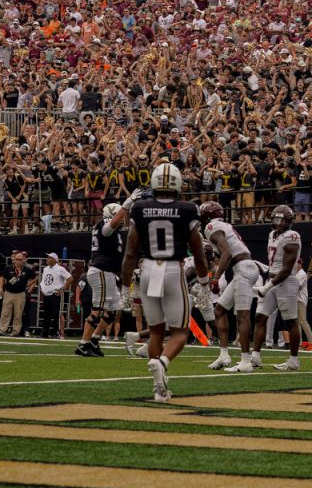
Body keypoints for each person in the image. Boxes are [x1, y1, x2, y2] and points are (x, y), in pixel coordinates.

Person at [122, 162, 208, 402]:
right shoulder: (188, 209)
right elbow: (198, 253)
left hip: (148, 268)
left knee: (156, 331)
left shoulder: (140, 208)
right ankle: (162, 362)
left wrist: (124, 286)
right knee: (180, 332)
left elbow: (130, 252)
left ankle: (159, 388)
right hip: (172, 268)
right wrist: (203, 283)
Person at [201, 200, 256, 372]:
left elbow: (227, 253)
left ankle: (246, 361)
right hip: (244, 267)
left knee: (242, 316)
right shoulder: (222, 225)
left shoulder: (211, 227)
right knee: (219, 310)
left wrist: (216, 278)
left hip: (243, 268)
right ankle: (224, 355)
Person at [252, 205, 302, 372]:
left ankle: (294, 360)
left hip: (286, 282)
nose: (277, 223)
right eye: (275, 219)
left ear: (288, 221)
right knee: (260, 317)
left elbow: (286, 270)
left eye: (281, 220)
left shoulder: (292, 237)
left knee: (290, 321)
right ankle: (255, 357)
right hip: (272, 279)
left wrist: (266, 287)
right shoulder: (272, 234)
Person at [75, 203, 126, 357]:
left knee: (113, 309)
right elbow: (111, 224)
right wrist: (128, 203)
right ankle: (83, 344)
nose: (122, 218)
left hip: (108, 272)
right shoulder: (104, 225)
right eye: (119, 215)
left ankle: (94, 341)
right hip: (101, 271)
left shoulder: (114, 229)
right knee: (97, 310)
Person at [0, 252, 37, 336]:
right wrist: (0, 287)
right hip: (8, 293)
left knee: (18, 314)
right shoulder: (8, 268)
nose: (18, 261)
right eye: (17, 259)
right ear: (14, 260)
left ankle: (16, 331)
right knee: (5, 312)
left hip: (20, 294)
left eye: (20, 260)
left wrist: (29, 285)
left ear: (23, 260)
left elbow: (35, 278)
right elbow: (2, 277)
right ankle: (2, 330)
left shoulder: (27, 270)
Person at [38, 253, 73, 339]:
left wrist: (63, 289)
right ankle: (45, 333)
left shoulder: (60, 269)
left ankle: (55, 332)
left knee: (56, 314)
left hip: (55, 294)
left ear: (54, 260)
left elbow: (70, 278)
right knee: (46, 314)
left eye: (49, 258)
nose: (47, 259)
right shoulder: (45, 269)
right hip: (47, 294)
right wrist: (42, 288)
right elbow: (44, 280)